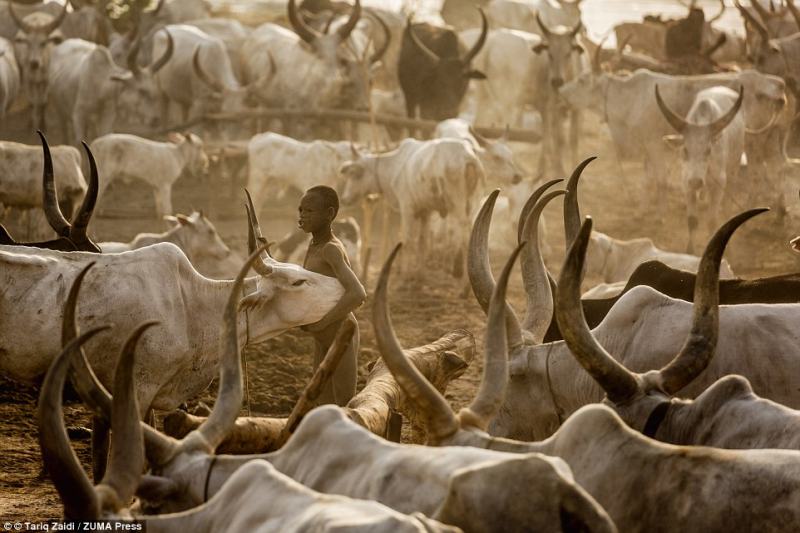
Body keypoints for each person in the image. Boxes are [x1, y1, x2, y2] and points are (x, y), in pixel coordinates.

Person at [298, 185, 366, 406]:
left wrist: (322, 322)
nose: (302, 216)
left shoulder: (330, 249)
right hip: (323, 337)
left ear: (329, 214)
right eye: (301, 210)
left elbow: (357, 293)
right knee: (321, 401)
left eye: (309, 211)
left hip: (341, 335)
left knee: (344, 403)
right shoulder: (313, 245)